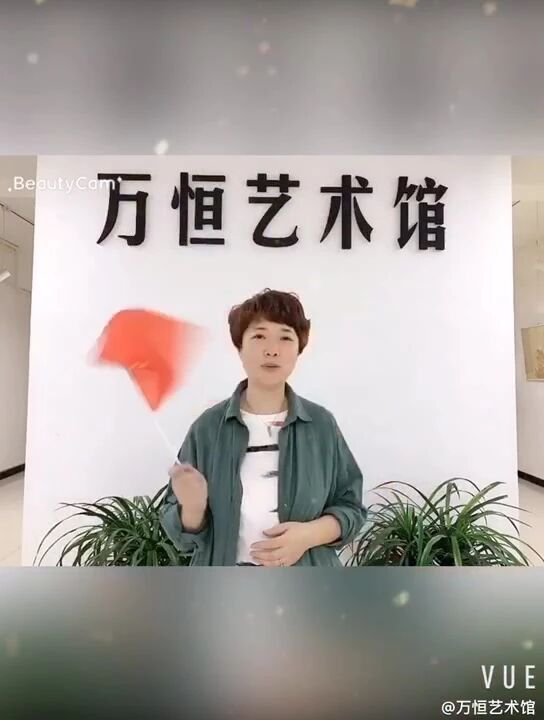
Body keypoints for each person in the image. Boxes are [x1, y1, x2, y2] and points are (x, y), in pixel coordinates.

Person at [159, 288, 367, 566]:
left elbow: (351, 508)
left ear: (299, 348)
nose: (272, 349)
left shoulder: (321, 425)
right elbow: (182, 540)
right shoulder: (207, 429)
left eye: (285, 337)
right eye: (259, 336)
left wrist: (308, 535)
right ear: (239, 347)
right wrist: (193, 507)